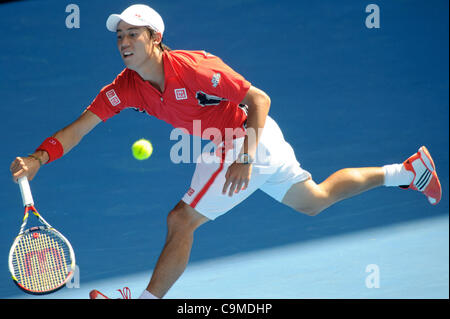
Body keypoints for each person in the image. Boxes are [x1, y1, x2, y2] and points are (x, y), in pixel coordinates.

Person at [10, 4, 442, 299]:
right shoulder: (124, 88)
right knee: (314, 200)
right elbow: (79, 129)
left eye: (133, 34)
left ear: (155, 38)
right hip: (246, 143)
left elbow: (260, 99)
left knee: (181, 220)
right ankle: (406, 172)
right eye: (119, 35)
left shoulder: (196, 68)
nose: (123, 41)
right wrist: (38, 158)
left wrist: (246, 156)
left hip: (244, 142)